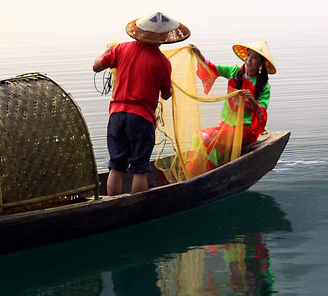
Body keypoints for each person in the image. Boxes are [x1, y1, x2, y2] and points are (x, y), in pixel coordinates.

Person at [92, 11, 189, 196]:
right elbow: (166, 94)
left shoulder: (121, 49)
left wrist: (107, 51)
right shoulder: (162, 62)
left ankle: (113, 208)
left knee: (116, 166)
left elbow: (96, 66)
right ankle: (136, 206)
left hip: (116, 116)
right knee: (140, 168)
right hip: (141, 119)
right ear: (163, 38)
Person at [188, 40, 276, 170]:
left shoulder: (264, 87)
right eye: (248, 55)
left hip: (245, 131)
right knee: (199, 137)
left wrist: (252, 99)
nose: (249, 60)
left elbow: (261, 114)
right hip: (226, 126)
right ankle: (202, 169)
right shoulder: (234, 71)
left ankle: (203, 169)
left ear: (261, 63)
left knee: (204, 138)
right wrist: (198, 54)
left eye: (254, 58)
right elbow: (213, 68)